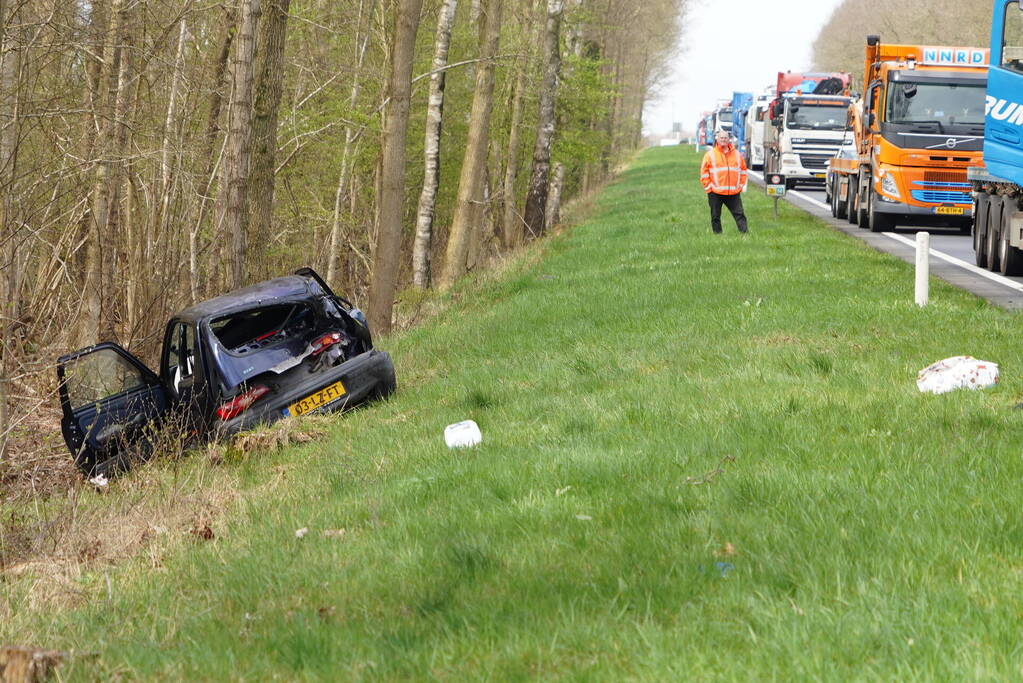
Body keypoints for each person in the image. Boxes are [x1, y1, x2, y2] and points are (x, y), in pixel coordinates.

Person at [700, 130, 749, 234]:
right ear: (717, 139)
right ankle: (718, 236)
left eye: (725, 138)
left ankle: (745, 234)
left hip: (733, 192)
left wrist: (740, 186)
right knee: (715, 216)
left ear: (729, 139)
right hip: (715, 192)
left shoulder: (737, 154)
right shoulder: (710, 155)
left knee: (740, 214)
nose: (723, 140)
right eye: (721, 138)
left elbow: (743, 171)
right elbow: (704, 173)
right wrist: (709, 189)